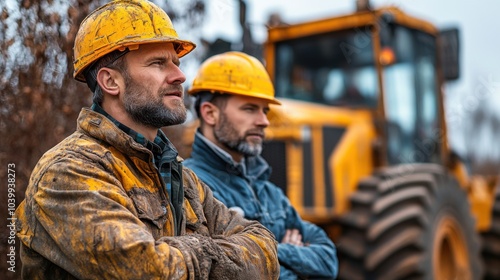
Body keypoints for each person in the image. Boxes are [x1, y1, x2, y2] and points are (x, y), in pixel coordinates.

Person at [14, 1, 279, 279]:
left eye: (176, 63)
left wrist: (182, 254)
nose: (180, 75)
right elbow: (150, 272)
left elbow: (265, 248)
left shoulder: (181, 177)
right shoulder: (68, 173)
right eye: (158, 63)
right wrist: (218, 251)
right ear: (111, 82)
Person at [184, 51, 339, 279]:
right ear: (210, 113)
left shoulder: (268, 191)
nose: (264, 121)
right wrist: (295, 255)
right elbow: (224, 272)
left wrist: (266, 252)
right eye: (250, 109)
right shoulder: (190, 185)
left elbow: (328, 262)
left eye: (264, 110)